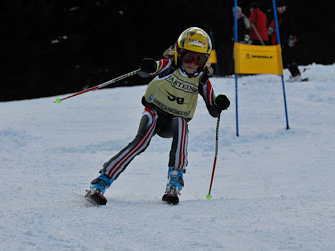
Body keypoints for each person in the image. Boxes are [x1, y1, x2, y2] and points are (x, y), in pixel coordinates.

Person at [85, 27, 231, 205]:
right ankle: (101, 181)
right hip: (154, 113)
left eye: (199, 59)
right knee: (141, 142)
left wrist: (219, 103)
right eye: (188, 57)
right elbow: (153, 68)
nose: (193, 63)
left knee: (182, 124)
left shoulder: (201, 79)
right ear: (178, 53)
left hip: (173, 122)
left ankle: (175, 181)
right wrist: (148, 66)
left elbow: (213, 108)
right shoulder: (170, 66)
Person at [268, 0, 303, 81]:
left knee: (288, 58)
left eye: (281, 7)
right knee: (285, 58)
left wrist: (291, 37)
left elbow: (292, 28)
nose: (279, 9)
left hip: (286, 39)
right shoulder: (278, 17)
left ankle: (296, 74)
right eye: (278, 7)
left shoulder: (287, 16)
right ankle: (294, 74)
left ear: (285, 8)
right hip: (281, 39)